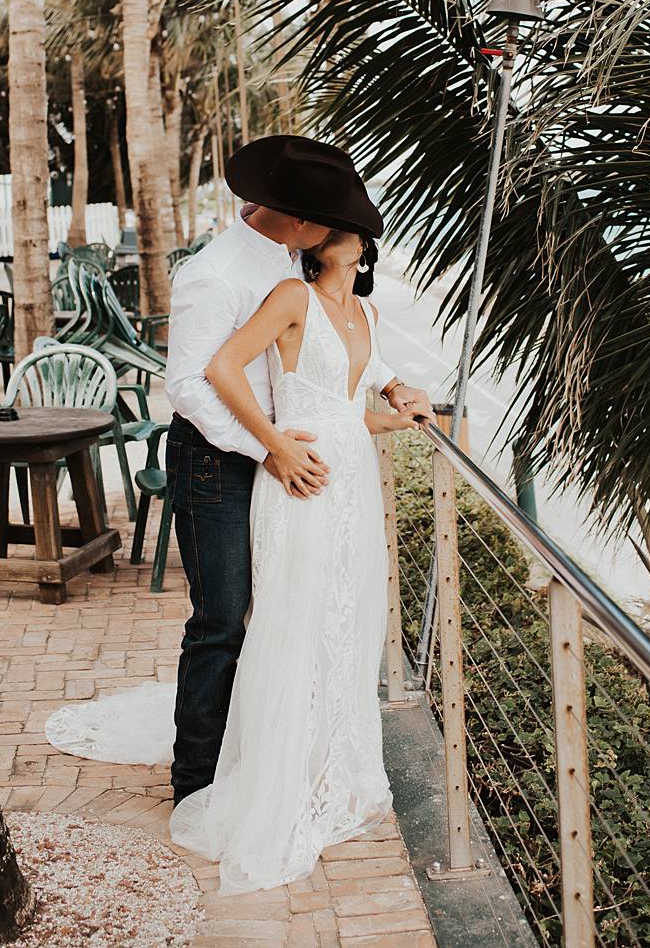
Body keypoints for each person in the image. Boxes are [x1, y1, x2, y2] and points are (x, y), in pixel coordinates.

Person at [43, 138, 432, 887]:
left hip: (282, 450)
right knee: (222, 619)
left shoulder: (296, 266)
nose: (333, 234)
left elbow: (332, 334)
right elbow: (189, 383)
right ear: (292, 221)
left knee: (286, 613)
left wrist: (390, 388)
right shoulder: (213, 273)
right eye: (324, 222)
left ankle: (265, 754)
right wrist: (269, 449)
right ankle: (198, 784)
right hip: (219, 458)